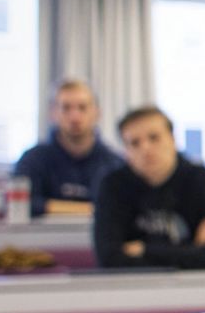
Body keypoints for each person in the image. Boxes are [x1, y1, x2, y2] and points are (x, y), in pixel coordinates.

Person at [93, 106, 205, 269]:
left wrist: (143, 249)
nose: (146, 149)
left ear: (173, 139)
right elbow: (109, 259)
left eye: (154, 138)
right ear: (126, 151)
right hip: (133, 284)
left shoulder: (204, 181)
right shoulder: (112, 186)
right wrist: (192, 249)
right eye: (135, 143)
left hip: (195, 284)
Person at [12, 78, 125, 217]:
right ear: (53, 113)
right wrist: (92, 209)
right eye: (66, 108)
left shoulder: (115, 163)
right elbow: (19, 204)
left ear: (97, 113)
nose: (75, 117)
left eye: (82, 107)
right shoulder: (32, 160)